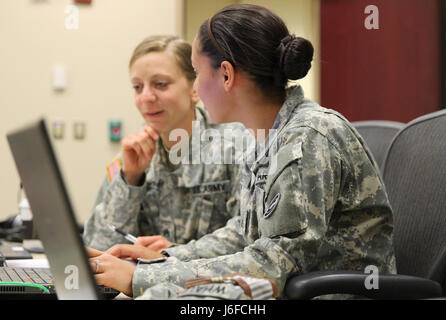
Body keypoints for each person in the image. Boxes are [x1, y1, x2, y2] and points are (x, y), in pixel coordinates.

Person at [87, 4, 396, 299]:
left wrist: (140, 277)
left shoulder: (305, 138)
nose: (196, 89)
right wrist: (163, 259)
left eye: (196, 72)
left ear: (225, 75)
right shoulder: (271, 137)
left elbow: (274, 265)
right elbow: (243, 236)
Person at [83, 35, 245, 254]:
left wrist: (174, 254)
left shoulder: (235, 146)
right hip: (140, 286)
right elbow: (98, 250)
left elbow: (249, 238)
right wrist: (130, 179)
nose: (146, 97)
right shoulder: (130, 158)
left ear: (195, 89)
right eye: (137, 87)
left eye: (160, 84)